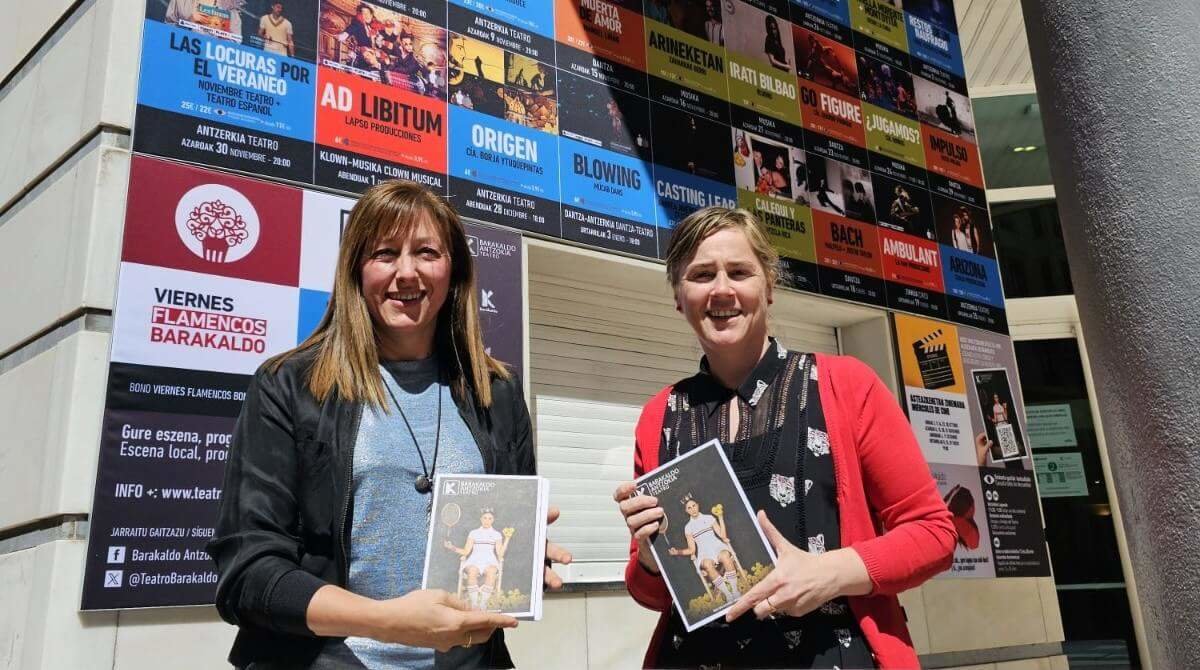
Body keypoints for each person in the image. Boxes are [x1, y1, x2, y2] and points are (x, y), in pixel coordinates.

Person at [208, 181, 571, 669]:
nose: (407, 273)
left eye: (427, 252)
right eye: (384, 253)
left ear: (454, 271)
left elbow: (501, 547)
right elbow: (249, 574)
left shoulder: (497, 393)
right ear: (356, 270)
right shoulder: (290, 386)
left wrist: (523, 557)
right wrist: (385, 620)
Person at [614, 207, 955, 668]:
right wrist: (651, 556)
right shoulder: (660, 414)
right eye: (700, 275)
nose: (721, 290)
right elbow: (651, 592)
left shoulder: (845, 385)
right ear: (679, 295)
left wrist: (829, 574)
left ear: (769, 287)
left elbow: (934, 533)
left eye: (739, 272)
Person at [665, 495, 742, 602]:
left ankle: (734, 591)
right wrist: (677, 551)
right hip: (704, 553)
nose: (693, 509)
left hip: (717, 547)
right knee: (707, 564)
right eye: (689, 508)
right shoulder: (688, 527)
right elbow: (692, 550)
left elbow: (722, 536)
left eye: (694, 505)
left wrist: (720, 517)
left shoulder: (709, 518)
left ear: (698, 505)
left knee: (725, 555)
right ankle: (728, 594)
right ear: (686, 511)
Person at [445, 509, 512, 611]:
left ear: (493, 520)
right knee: (472, 571)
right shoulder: (473, 533)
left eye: (490, 518)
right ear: (481, 519)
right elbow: (466, 551)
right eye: (485, 518)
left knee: (492, 571)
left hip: (490, 561)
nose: (487, 521)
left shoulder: (497, 534)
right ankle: (475, 604)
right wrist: (452, 547)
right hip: (474, 560)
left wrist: (507, 539)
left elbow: (500, 554)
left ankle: (483, 604)